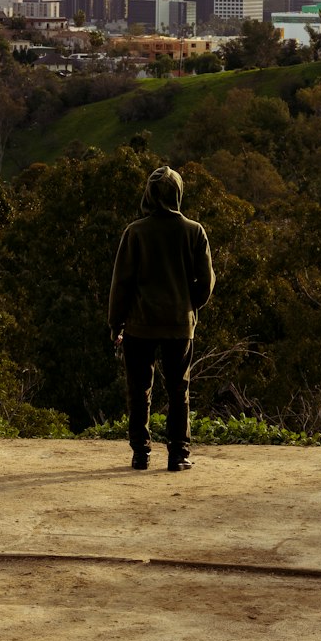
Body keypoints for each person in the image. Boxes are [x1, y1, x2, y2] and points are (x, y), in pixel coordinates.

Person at [108, 164, 215, 472]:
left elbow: (121, 284)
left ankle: (141, 453)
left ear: (150, 195)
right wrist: (188, 306)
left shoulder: (135, 232)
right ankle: (178, 455)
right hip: (179, 325)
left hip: (140, 325)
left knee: (139, 389)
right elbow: (206, 283)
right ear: (178, 194)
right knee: (179, 390)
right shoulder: (194, 232)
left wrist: (116, 323)